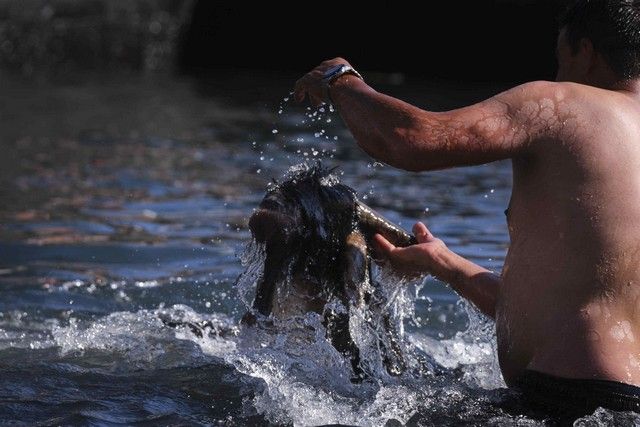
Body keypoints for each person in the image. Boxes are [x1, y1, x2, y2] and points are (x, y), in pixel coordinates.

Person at [293, 0, 640, 421]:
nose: (558, 73)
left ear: (585, 52)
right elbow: (569, 309)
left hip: (565, 402)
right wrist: (444, 262)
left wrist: (340, 79)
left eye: (560, 57)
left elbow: (410, 139)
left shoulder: (564, 105)